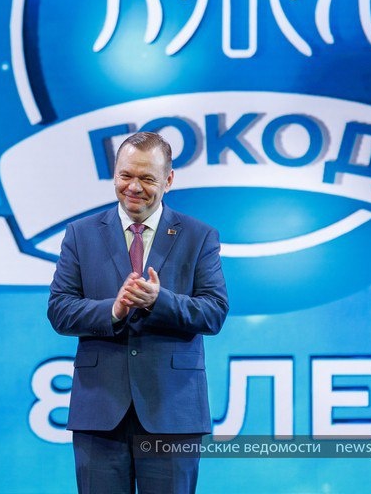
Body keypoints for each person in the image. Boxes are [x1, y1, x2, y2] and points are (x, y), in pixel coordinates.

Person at [48, 131, 228, 494]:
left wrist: (160, 301)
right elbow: (60, 310)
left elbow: (214, 312)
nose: (133, 187)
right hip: (100, 412)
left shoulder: (199, 236)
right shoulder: (80, 234)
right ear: (114, 173)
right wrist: (113, 310)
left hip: (172, 412)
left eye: (147, 178)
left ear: (168, 180)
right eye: (126, 175)